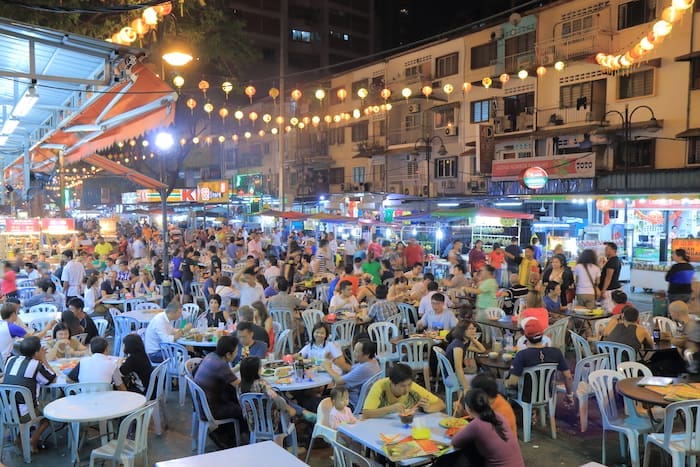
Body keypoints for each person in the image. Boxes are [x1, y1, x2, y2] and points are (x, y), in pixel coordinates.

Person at [2, 336, 56, 453]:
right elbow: (51, 378)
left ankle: (20, 437)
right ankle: (34, 439)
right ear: (37, 352)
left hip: (5, 411)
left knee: (31, 404)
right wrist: (43, 359)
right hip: (24, 413)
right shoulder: (36, 365)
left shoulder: (11, 360)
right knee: (48, 414)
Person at [450, 389, 525, 467]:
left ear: (468, 408)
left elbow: (455, 442)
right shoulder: (499, 416)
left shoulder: (476, 424)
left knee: (466, 453)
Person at [506, 318, 573, 404]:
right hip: (546, 394)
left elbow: (513, 382)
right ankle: (538, 413)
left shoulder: (522, 355)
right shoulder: (556, 353)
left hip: (525, 396)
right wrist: (569, 395)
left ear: (525, 336)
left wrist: (505, 382)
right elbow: (568, 377)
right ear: (543, 334)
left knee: (499, 386)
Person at [238, 356, 316, 428]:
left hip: (253, 423)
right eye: (260, 367)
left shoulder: (239, 387)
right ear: (256, 371)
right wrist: (289, 409)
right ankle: (303, 413)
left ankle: (303, 412)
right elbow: (275, 397)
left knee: (281, 396)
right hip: (272, 421)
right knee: (283, 402)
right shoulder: (261, 384)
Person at [194, 335, 243, 448]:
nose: (237, 354)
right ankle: (226, 438)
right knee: (243, 409)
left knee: (232, 397)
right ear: (228, 354)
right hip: (211, 409)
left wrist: (237, 368)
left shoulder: (211, 356)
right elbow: (240, 386)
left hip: (201, 404)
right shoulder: (221, 366)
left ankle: (222, 433)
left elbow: (226, 375)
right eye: (235, 352)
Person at [362, 363, 445, 419]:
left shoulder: (412, 387)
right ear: (392, 383)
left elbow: (441, 404)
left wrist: (428, 408)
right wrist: (390, 409)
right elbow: (366, 414)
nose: (407, 389)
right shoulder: (379, 386)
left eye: (409, 385)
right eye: (402, 386)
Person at [322, 339, 381, 409]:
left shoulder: (365, 368)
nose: (353, 353)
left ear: (367, 354)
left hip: (350, 403)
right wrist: (335, 361)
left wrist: (327, 367)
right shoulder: (372, 362)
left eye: (357, 351)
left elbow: (339, 381)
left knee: (313, 401)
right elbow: (351, 369)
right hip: (351, 397)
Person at [446, 320, 486, 390]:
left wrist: (472, 339)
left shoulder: (463, 342)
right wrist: (465, 387)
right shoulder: (458, 345)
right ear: (462, 331)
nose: (473, 331)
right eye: (470, 329)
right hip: (452, 376)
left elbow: (482, 350)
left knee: (483, 376)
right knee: (484, 380)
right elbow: (458, 368)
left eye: (474, 328)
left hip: (454, 373)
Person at [599, 242, 622, 313]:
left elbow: (608, 278)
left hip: (609, 290)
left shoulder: (612, 262)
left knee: (609, 310)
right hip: (613, 288)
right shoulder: (615, 260)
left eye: (607, 249)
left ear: (613, 250)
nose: (605, 251)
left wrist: (603, 291)